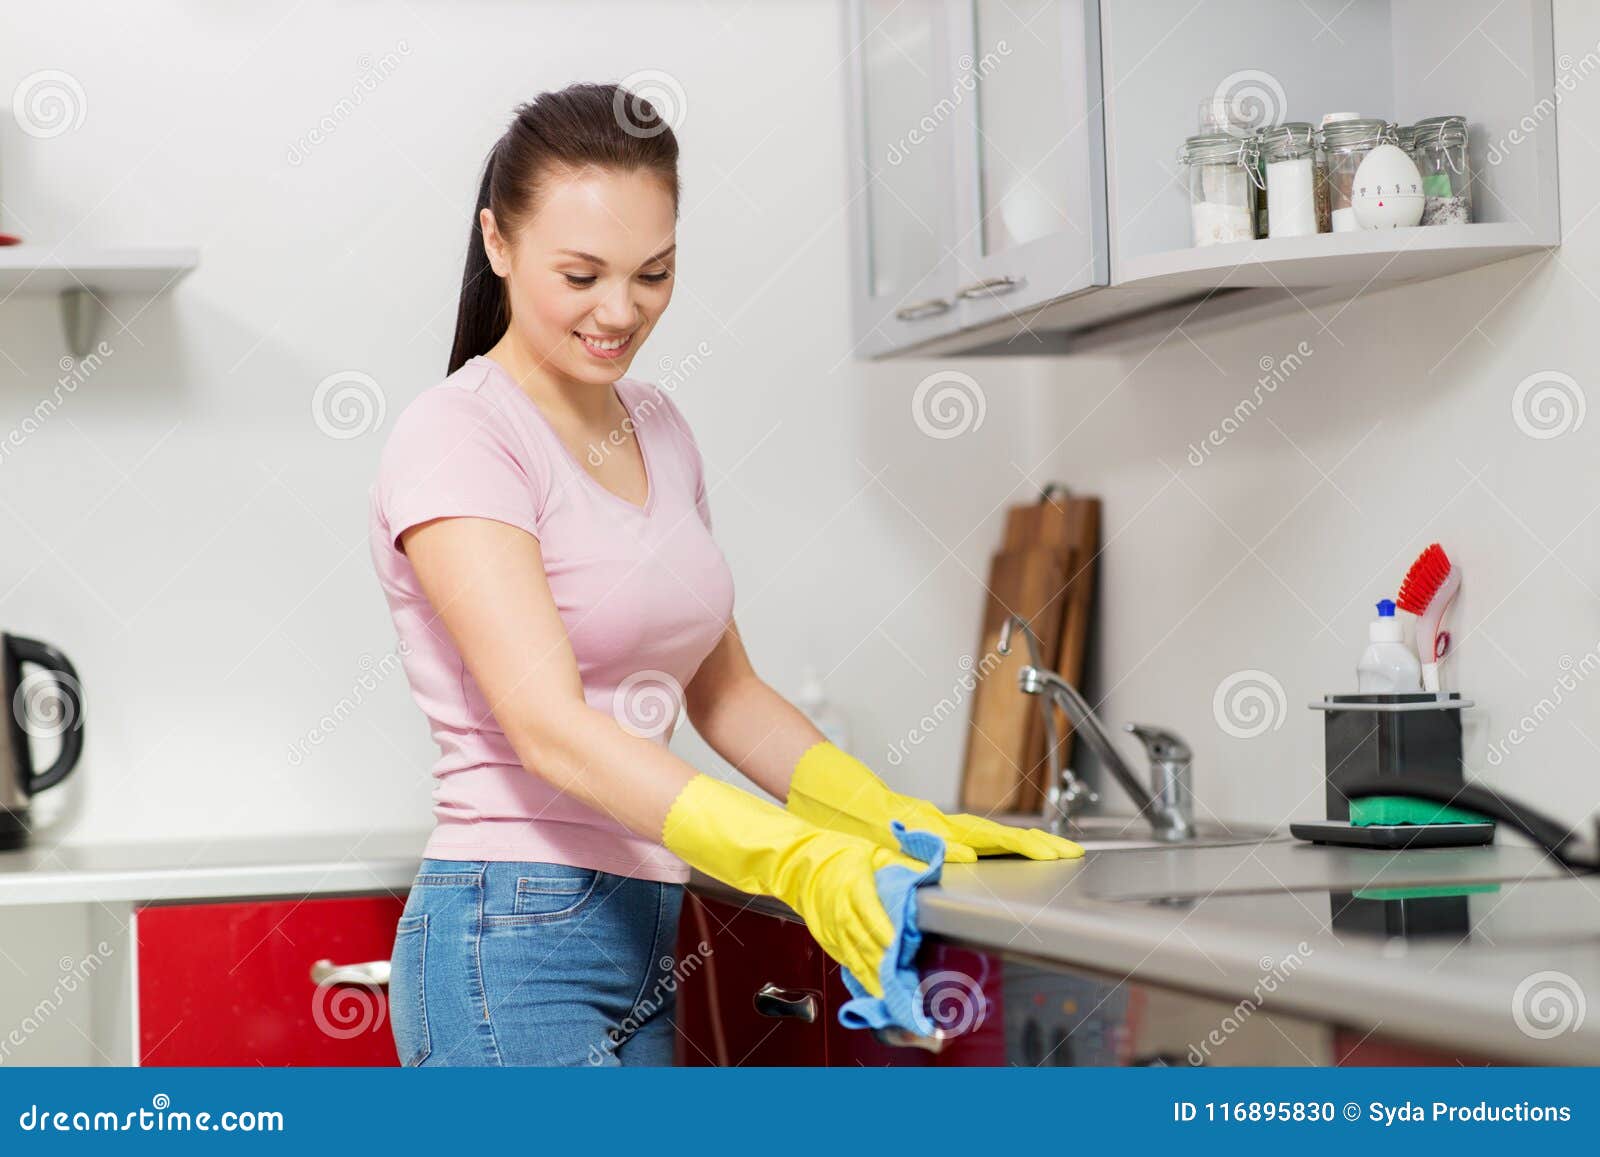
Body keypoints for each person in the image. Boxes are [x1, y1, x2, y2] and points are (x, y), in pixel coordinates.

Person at [366, 82, 1081, 1068]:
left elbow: (728, 691)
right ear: (497, 242)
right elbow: (550, 729)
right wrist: (792, 857)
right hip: (506, 933)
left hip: (642, 924)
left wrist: (882, 814)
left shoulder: (655, 423)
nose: (619, 311)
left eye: (652, 273)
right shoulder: (458, 436)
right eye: (580, 275)